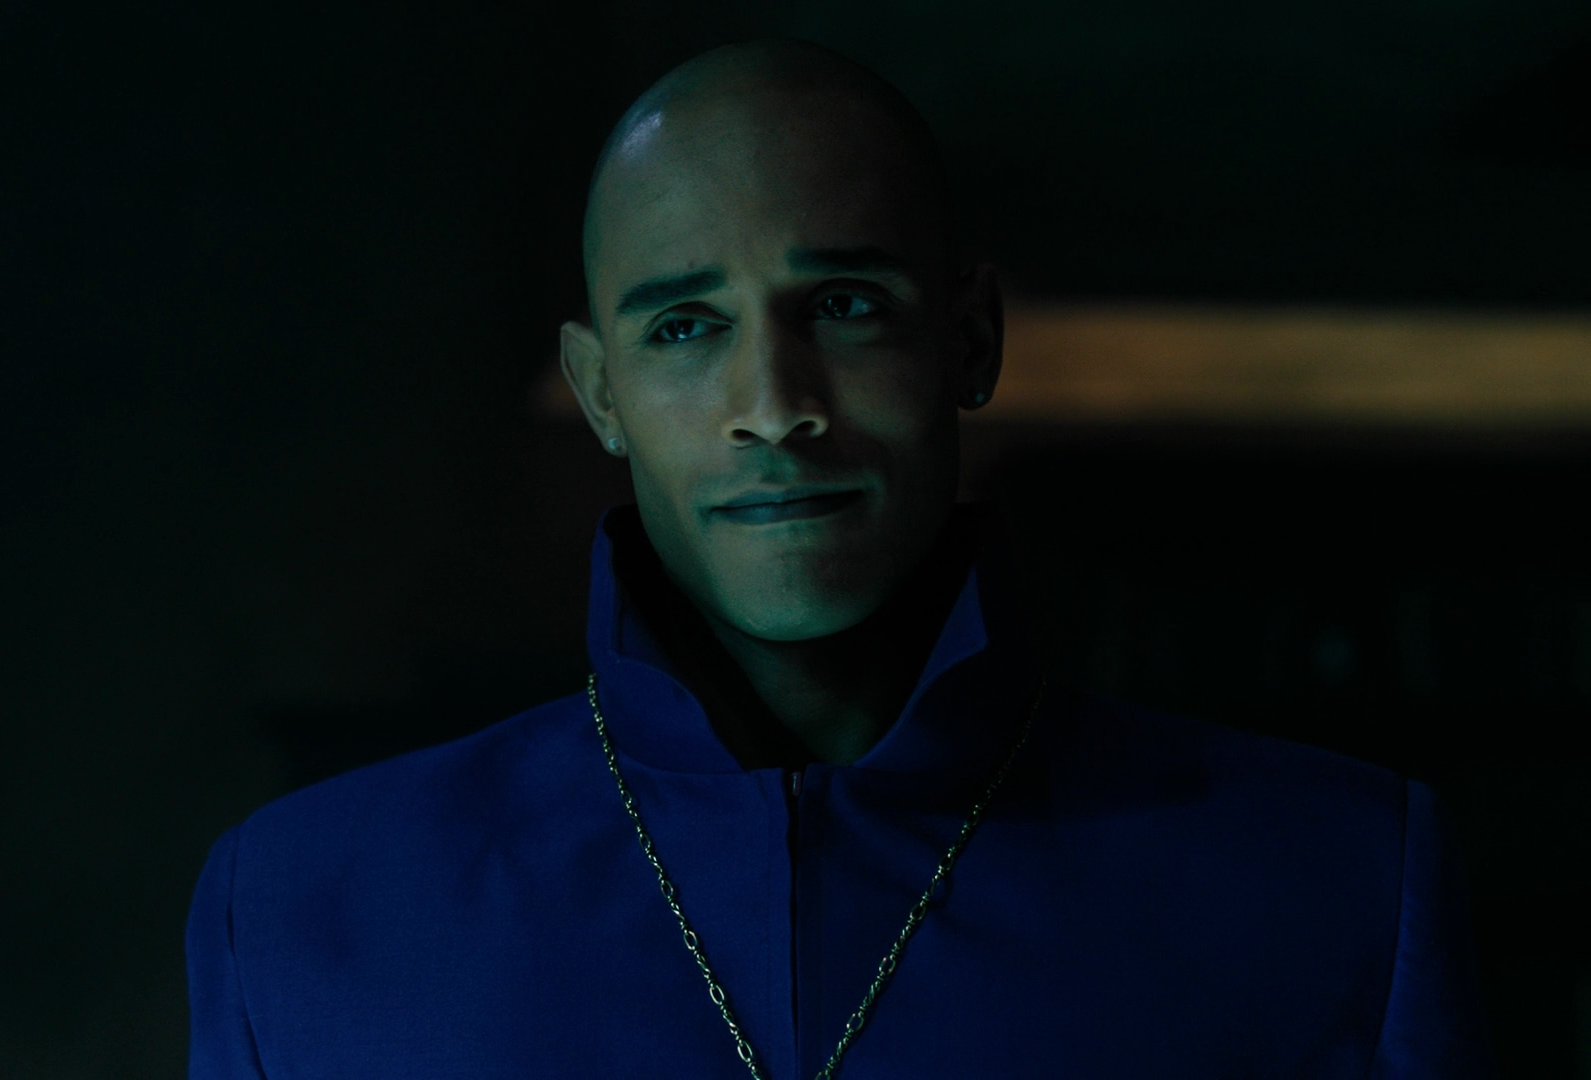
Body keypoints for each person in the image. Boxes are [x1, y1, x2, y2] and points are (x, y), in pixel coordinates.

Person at [187, 40, 1493, 1078]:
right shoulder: (301, 903)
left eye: (846, 306)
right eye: (685, 325)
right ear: (598, 392)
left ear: (970, 340)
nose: (775, 403)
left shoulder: (1340, 877)